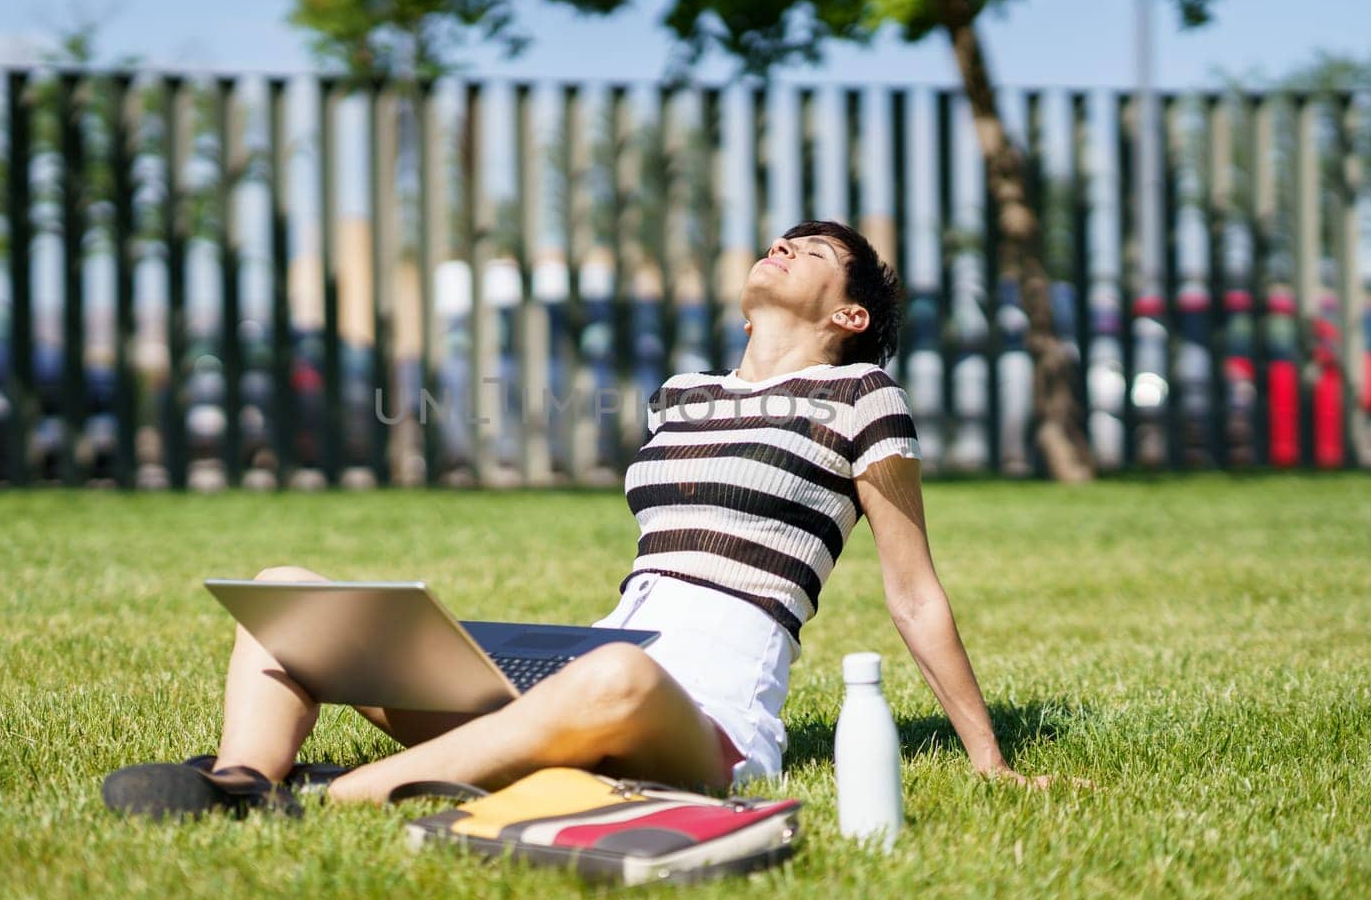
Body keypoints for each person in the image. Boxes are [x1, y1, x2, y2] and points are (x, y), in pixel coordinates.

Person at [103, 219, 1059, 820]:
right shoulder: (682, 395)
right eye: (781, 238)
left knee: (614, 674)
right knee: (290, 596)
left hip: (699, 726)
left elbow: (912, 589)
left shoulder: (863, 394)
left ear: (850, 315)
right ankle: (239, 776)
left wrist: (989, 759)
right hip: (576, 677)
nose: (783, 245)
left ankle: (314, 799)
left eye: (812, 250)